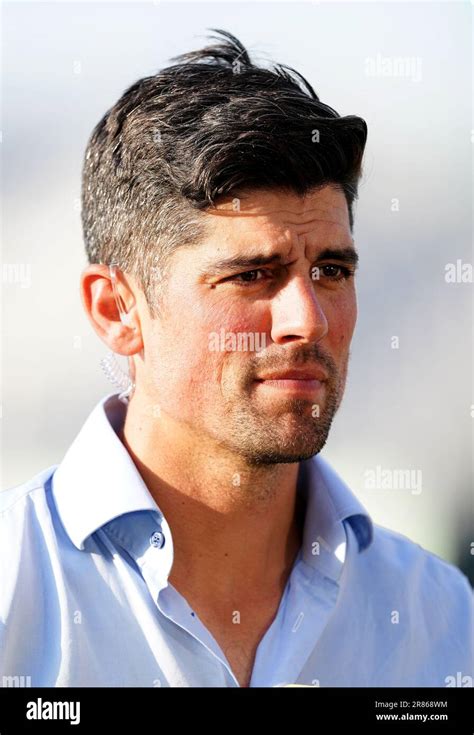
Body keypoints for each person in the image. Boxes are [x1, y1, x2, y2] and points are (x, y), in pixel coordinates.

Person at [1, 29, 472, 689]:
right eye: (253, 274)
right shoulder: (13, 594)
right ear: (117, 310)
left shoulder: (443, 622)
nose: (308, 318)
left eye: (331, 269)